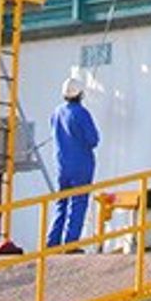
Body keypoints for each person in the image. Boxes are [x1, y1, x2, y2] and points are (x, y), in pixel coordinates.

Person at [48, 73, 99, 247]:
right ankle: (70, 243)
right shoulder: (81, 113)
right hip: (81, 165)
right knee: (78, 204)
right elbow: (93, 139)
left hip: (62, 165)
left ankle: (52, 242)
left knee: (61, 203)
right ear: (80, 94)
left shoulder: (56, 113)